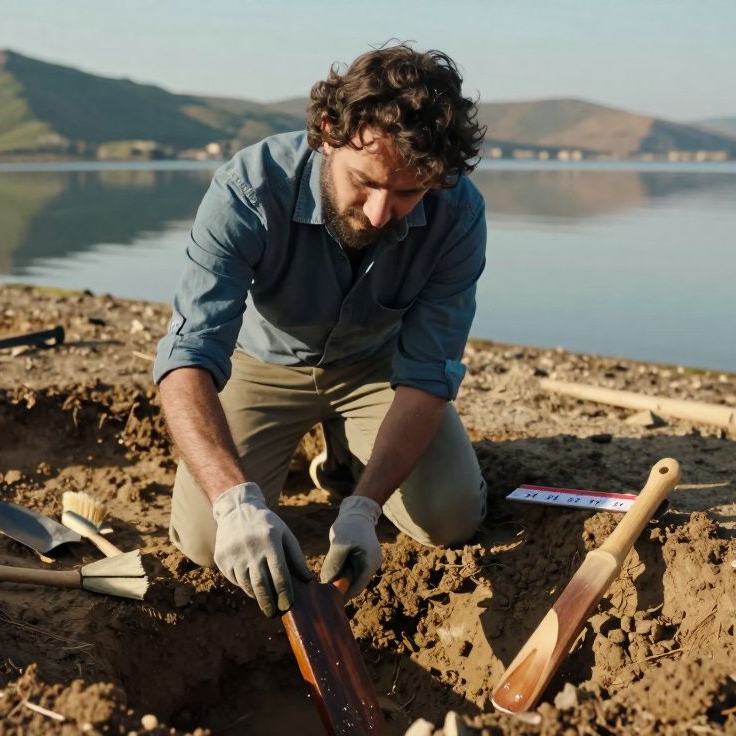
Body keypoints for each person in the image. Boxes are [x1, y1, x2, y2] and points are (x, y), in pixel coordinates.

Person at [153, 43, 488, 617]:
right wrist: (235, 502)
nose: (382, 213)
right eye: (365, 182)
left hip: (376, 369)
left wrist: (365, 507)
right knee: (211, 546)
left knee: (451, 518)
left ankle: (345, 467)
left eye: (409, 192)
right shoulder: (247, 189)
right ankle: (305, 458)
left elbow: (429, 373)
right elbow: (187, 356)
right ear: (329, 132)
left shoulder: (459, 213)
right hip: (261, 364)